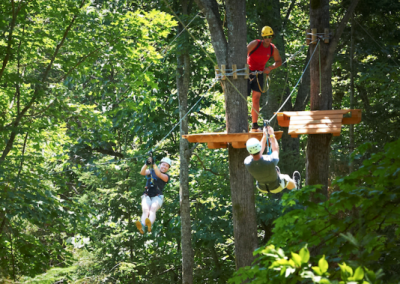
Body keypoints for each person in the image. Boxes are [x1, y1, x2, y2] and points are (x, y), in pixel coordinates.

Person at [244, 126, 301, 194]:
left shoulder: (247, 162)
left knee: (266, 171)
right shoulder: (271, 160)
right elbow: (275, 150)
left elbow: (258, 152)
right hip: (276, 186)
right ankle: (295, 187)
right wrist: (272, 135)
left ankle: (275, 173)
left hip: (261, 188)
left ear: (249, 152)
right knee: (286, 177)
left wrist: (265, 136)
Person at [247, 26, 282, 132]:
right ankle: (243, 122)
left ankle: (254, 124)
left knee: (256, 98)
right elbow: (243, 53)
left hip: (260, 74)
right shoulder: (255, 43)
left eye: (270, 36)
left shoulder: (272, 48)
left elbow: (278, 61)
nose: (268, 38)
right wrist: (244, 67)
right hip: (247, 73)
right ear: (262, 37)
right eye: (266, 36)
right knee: (243, 97)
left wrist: (270, 67)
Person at [136, 156, 172, 234]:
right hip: (147, 194)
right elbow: (142, 172)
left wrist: (153, 164)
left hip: (157, 195)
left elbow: (158, 174)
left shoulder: (166, 177)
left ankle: (149, 224)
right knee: (145, 209)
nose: (164, 167)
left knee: (152, 209)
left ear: (168, 169)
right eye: (163, 165)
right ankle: (142, 226)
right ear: (160, 165)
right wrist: (146, 164)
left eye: (166, 166)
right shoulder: (151, 171)